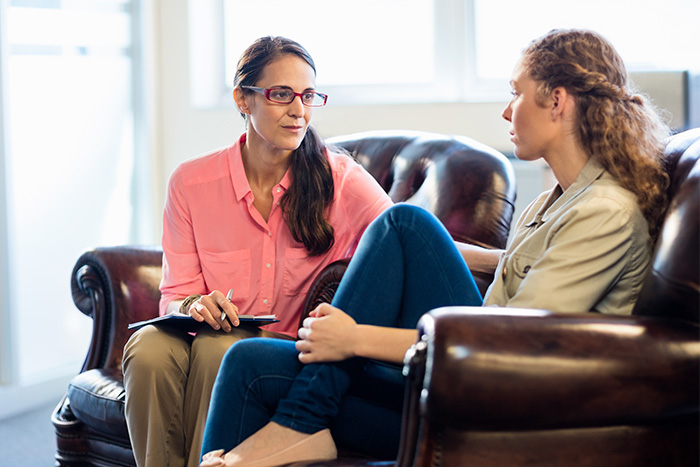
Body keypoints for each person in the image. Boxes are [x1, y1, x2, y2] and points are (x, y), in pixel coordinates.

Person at [198, 29, 670, 467]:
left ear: (557, 101)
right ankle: (276, 435)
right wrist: (414, 250)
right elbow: (522, 268)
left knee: (405, 220)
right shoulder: (559, 198)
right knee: (249, 361)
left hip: (498, 405)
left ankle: (299, 422)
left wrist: (355, 338)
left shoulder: (605, 211)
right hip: (457, 377)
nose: (507, 111)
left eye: (516, 93)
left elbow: (511, 344)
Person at [121, 36, 393, 467]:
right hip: (202, 334)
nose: (299, 110)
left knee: (220, 349)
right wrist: (194, 304)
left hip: (280, 353)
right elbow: (175, 293)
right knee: (148, 349)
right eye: (281, 94)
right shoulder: (190, 183)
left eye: (307, 96)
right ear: (243, 100)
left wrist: (500, 258)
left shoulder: (339, 179)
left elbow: (403, 240)